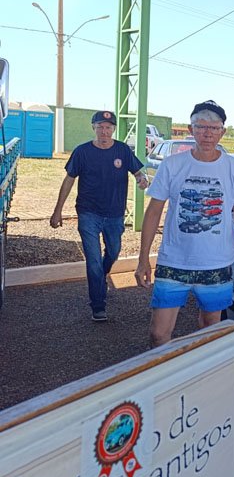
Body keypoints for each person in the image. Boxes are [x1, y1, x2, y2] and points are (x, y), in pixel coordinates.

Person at [135, 101, 234, 347]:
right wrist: (143, 257)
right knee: (158, 333)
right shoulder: (172, 164)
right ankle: (163, 369)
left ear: (222, 132)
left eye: (214, 128)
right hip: (173, 261)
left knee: (209, 327)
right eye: (201, 127)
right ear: (191, 130)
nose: (207, 134)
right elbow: (154, 211)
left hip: (216, 263)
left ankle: (201, 368)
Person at [50, 110, 148, 322]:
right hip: (88, 213)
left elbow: (138, 172)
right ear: (93, 128)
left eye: (108, 127)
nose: (104, 131)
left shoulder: (122, 150)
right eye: (100, 127)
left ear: (114, 129)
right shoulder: (82, 152)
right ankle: (98, 304)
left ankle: (101, 276)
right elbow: (69, 180)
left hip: (115, 214)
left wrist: (142, 179)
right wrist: (58, 210)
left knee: (113, 251)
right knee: (93, 260)